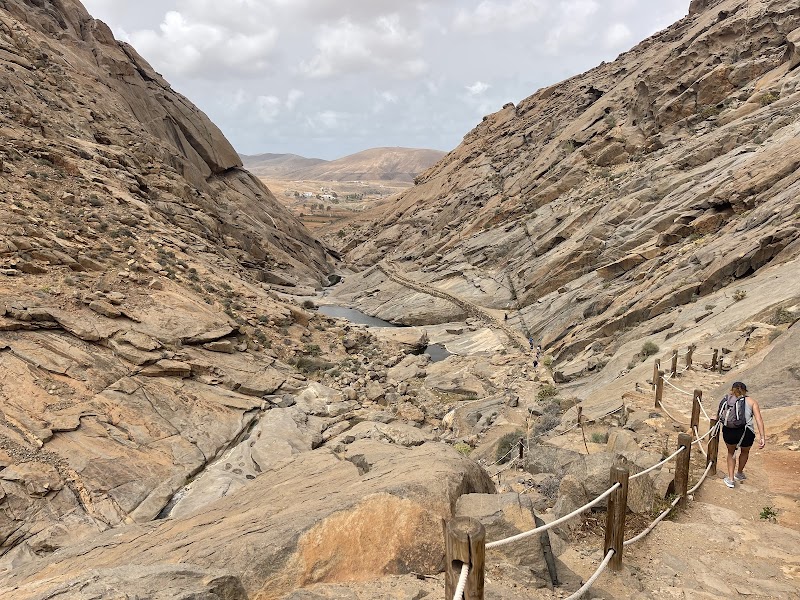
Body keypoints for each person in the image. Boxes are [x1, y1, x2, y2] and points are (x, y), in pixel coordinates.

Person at [718, 381, 765, 489]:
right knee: (745, 451)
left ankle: (730, 479)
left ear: (731, 389)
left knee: (731, 453)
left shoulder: (727, 399)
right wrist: (762, 437)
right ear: (745, 390)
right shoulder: (752, 401)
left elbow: (719, 414)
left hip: (729, 431)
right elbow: (759, 419)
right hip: (747, 432)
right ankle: (739, 473)